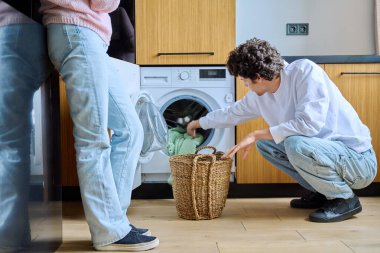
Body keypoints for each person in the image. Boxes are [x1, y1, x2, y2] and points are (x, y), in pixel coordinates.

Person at [187, 37, 377, 223]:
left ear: (258, 77)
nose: (245, 86)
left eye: (245, 81)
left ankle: (345, 199)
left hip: (358, 162)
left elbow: (309, 125)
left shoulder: (304, 72)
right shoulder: (260, 95)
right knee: (266, 144)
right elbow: (232, 113)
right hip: (329, 156)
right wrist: (198, 123)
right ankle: (325, 192)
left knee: (294, 143)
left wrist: (255, 134)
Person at [39, 0, 159, 251]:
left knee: (131, 130)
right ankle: (109, 231)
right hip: (76, 32)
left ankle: (116, 221)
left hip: (87, 36)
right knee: (92, 139)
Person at [0, 1, 51, 251]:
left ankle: (8, 241)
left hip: (14, 27)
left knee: (9, 146)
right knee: (12, 144)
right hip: (30, 28)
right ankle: (14, 236)